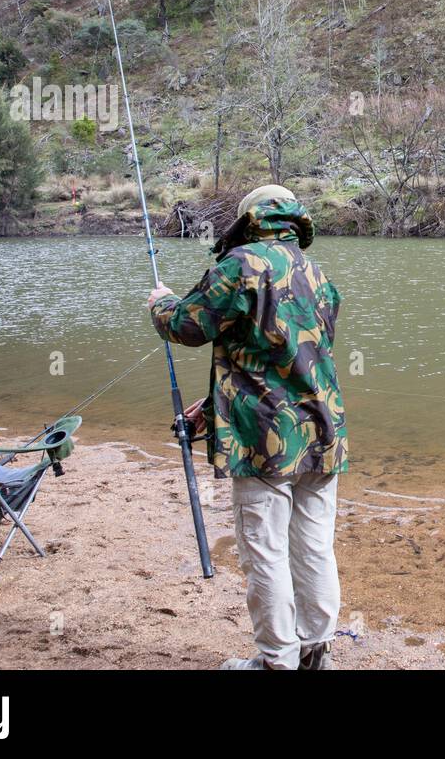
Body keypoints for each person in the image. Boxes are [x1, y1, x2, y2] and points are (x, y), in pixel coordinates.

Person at [147, 184, 347, 670]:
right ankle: (314, 651)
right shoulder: (318, 275)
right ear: (294, 221)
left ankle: (277, 661)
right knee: (315, 545)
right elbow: (287, 359)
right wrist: (216, 402)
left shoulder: (240, 266)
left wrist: (161, 302)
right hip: (323, 431)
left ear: (247, 220)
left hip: (263, 442)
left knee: (265, 551)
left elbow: (187, 327)